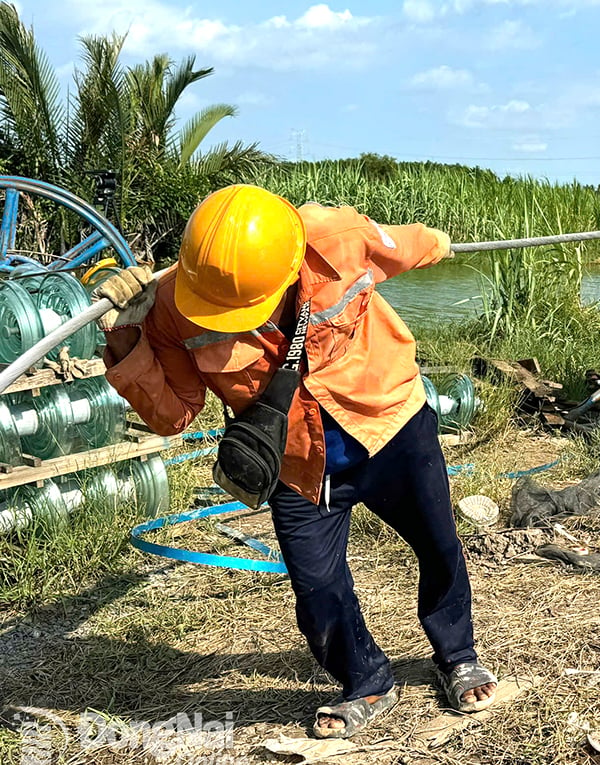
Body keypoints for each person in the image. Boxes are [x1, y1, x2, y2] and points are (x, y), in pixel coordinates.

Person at [95, 184, 497, 739]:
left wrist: (437, 242)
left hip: (389, 421)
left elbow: (407, 246)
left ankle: (457, 654)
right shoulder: (171, 305)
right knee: (316, 584)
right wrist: (123, 335)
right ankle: (365, 680)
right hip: (296, 460)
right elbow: (174, 416)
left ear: (288, 269)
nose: (233, 320)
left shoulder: (335, 238)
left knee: (436, 541)